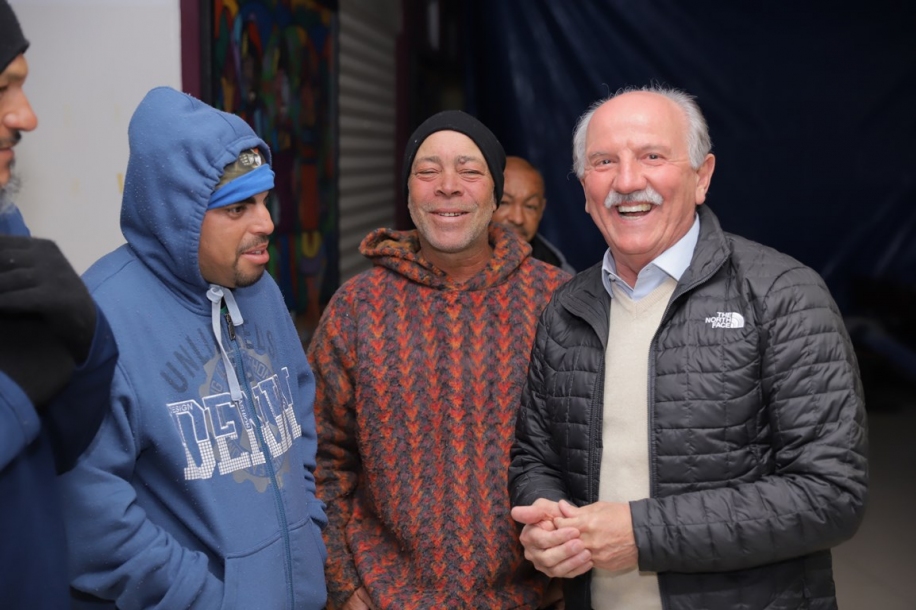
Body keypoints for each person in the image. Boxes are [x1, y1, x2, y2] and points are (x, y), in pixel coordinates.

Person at [508, 86, 868, 610]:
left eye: (652, 156)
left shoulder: (784, 293)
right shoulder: (566, 309)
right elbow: (535, 456)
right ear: (585, 189)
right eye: (604, 162)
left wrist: (639, 532)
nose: (627, 181)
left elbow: (831, 494)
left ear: (702, 176)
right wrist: (546, 519)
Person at [58, 86, 327, 609]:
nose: (266, 223)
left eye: (265, 200)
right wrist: (204, 598)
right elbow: (88, 511)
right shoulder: (99, 317)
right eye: (239, 208)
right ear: (176, 214)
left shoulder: (259, 287)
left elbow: (298, 417)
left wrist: (309, 530)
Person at [309, 110, 571, 609]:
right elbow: (321, 459)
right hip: (386, 599)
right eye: (428, 171)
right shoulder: (356, 307)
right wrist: (343, 588)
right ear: (408, 193)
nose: (448, 186)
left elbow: (592, 452)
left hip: (531, 599)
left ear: (496, 195)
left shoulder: (556, 300)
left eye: (469, 171)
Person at [0, 2, 118, 607]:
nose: (26, 116)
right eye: (4, 88)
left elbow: (60, 448)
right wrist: (14, 400)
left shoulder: (7, 237)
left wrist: (92, 344)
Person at [493, 155, 575, 274]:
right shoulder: (458, 265)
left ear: (541, 210)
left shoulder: (559, 276)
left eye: (530, 206)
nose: (518, 218)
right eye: (505, 202)